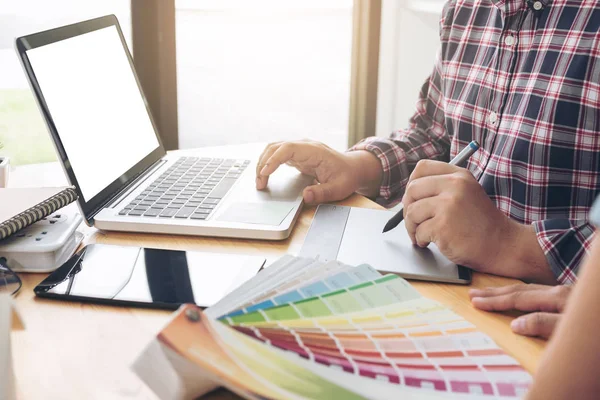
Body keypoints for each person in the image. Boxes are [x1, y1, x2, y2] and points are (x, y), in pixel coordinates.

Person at [255, 1, 600, 285]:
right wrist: (356, 167)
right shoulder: (466, 8)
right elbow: (435, 136)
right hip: (447, 284)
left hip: (556, 325)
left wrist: (507, 244)